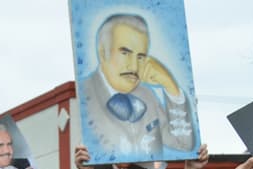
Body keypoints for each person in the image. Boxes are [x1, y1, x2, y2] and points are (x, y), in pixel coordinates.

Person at [77, 13, 196, 160]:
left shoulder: (147, 96)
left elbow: (183, 144)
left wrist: (170, 85)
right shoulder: (82, 97)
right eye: (125, 53)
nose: (134, 66)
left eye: (140, 57)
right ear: (103, 53)